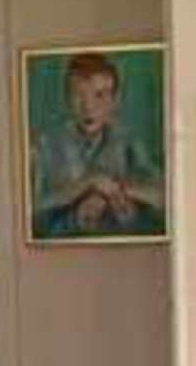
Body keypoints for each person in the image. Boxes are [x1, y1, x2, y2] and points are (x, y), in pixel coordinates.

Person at [36, 50, 161, 237]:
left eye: (100, 95)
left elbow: (162, 195)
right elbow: (32, 210)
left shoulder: (128, 141)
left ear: (115, 100)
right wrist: (88, 184)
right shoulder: (47, 144)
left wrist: (115, 191)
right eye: (79, 95)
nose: (89, 107)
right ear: (67, 99)